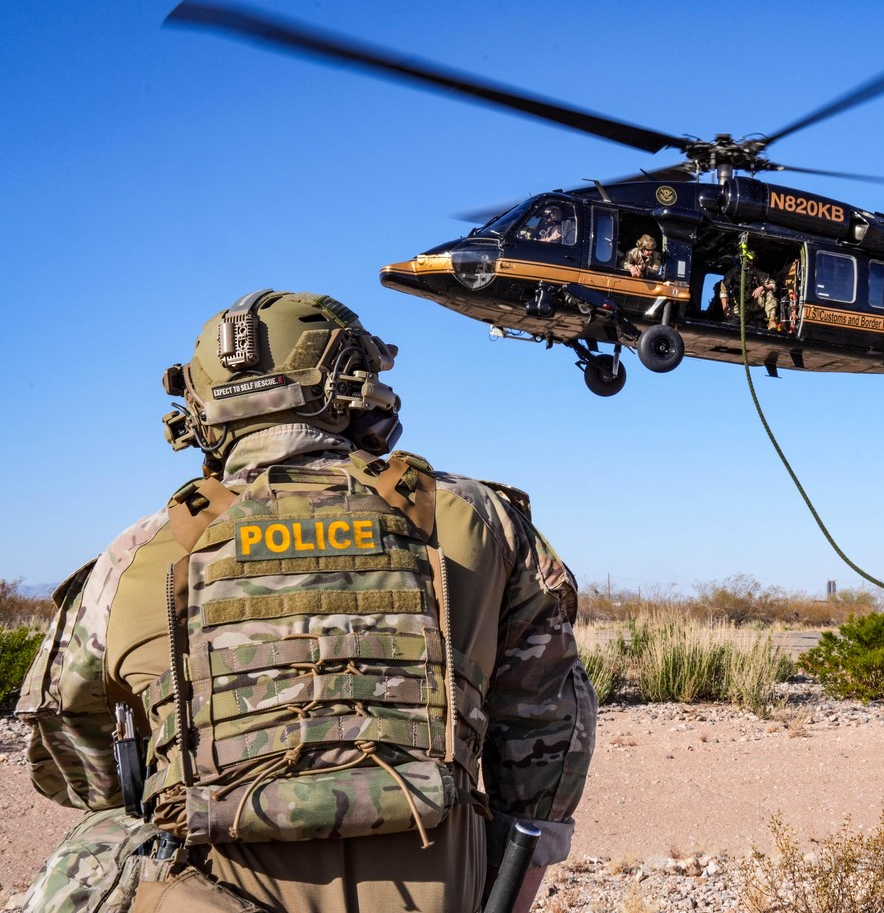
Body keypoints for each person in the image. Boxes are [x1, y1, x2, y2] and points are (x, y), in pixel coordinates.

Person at [17, 289, 596, 913]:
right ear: (350, 380)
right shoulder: (479, 521)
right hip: (441, 888)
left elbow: (72, 752)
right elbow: (549, 722)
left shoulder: (133, 557)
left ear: (201, 407)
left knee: (96, 848)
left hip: (207, 889)